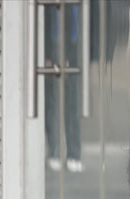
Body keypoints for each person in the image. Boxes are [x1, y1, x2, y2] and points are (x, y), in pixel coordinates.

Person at [44, 3, 82, 173]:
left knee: (70, 103)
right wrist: (48, 56)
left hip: (68, 56)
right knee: (53, 103)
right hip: (54, 55)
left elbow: (75, 30)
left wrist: (70, 57)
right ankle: (55, 151)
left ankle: (73, 153)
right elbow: (44, 27)